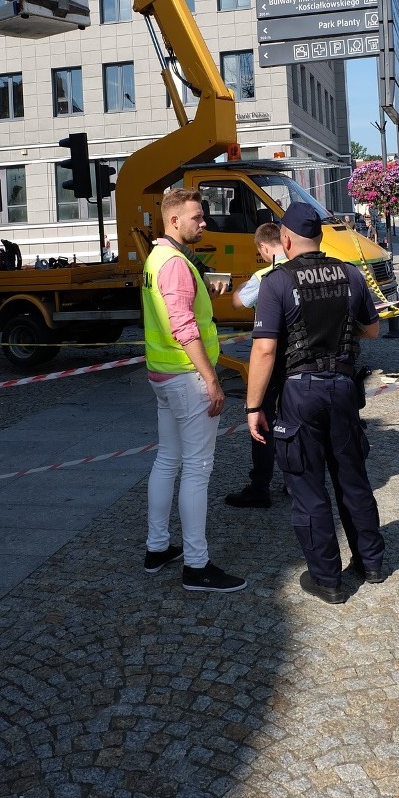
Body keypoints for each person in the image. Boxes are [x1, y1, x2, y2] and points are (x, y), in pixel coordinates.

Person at [246, 202, 385, 606]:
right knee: (352, 478)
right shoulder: (351, 274)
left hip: (299, 390)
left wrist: (253, 406)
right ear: (321, 237)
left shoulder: (277, 281)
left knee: (307, 485)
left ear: (285, 239)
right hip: (343, 386)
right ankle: (371, 563)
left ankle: (327, 579)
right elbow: (373, 330)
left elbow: (266, 351)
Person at [142, 188, 247, 593]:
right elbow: (183, 326)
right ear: (174, 221)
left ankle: (157, 549)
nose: (204, 223)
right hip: (186, 376)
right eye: (197, 218)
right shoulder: (173, 264)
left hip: (164, 374)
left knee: (168, 460)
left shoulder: (158, 257)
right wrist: (212, 377)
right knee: (197, 469)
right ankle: (197, 565)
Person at [225, 223, 287, 509]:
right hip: (303, 360)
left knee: (263, 420)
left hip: (272, 357)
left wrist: (238, 286)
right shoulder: (303, 267)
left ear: (263, 247)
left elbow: (238, 303)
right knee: (297, 420)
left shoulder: (265, 275)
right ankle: (295, 482)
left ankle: (260, 486)